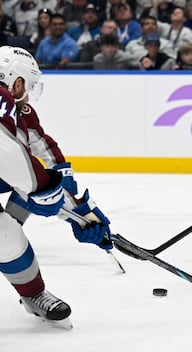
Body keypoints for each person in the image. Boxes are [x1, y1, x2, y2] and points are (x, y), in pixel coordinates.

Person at [0, 46, 112, 329]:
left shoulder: (17, 111)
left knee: (7, 236)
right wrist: (60, 201)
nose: (28, 91)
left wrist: (82, 212)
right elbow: (16, 164)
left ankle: (33, 294)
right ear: (14, 80)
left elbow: (42, 151)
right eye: (26, 82)